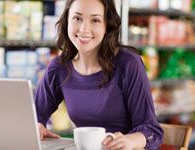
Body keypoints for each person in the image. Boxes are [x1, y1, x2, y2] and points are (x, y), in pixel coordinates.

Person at [35, 0, 163, 149]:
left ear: (106, 26)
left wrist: (131, 140)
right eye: (77, 18)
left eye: (95, 20)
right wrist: (37, 127)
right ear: (67, 20)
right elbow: (34, 116)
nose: (84, 29)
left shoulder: (128, 64)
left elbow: (152, 131)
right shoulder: (59, 67)